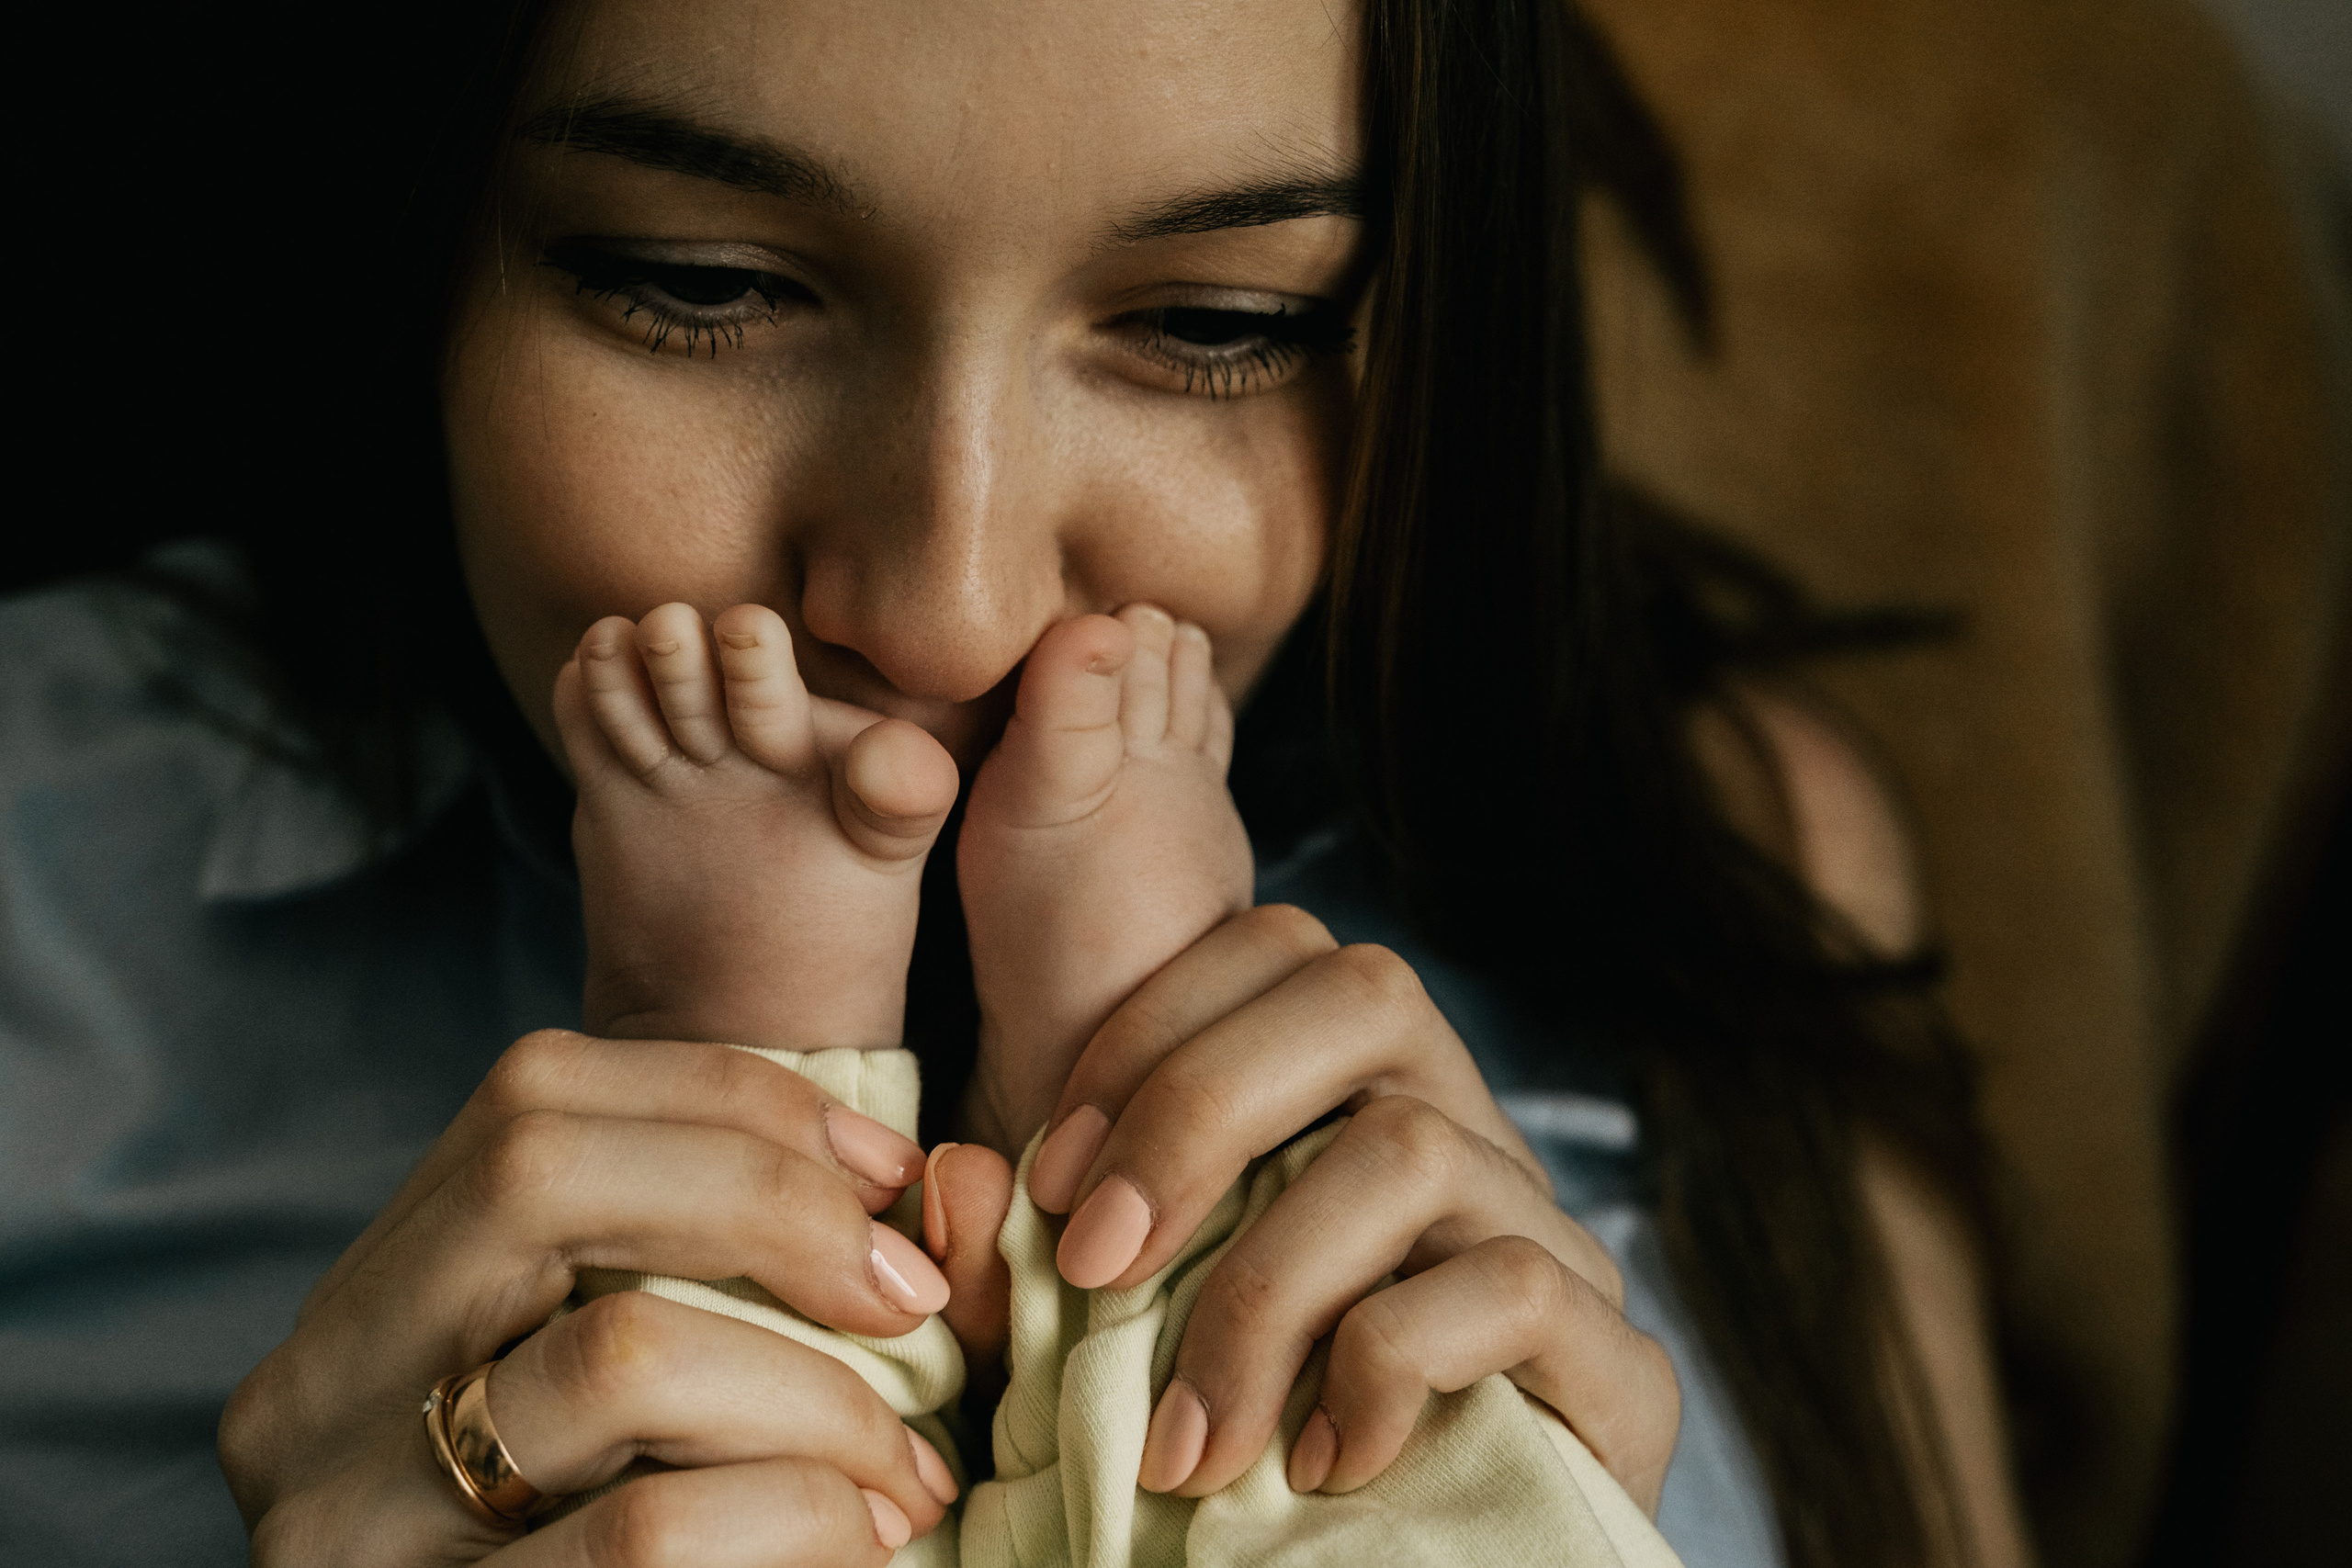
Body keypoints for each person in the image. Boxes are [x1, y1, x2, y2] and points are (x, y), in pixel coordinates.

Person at [0, 0, 2029, 1564]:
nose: (952, 611)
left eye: (1218, 324)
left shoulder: (1715, 856)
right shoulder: (39, 870)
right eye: (697, 284)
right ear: (426, 234)